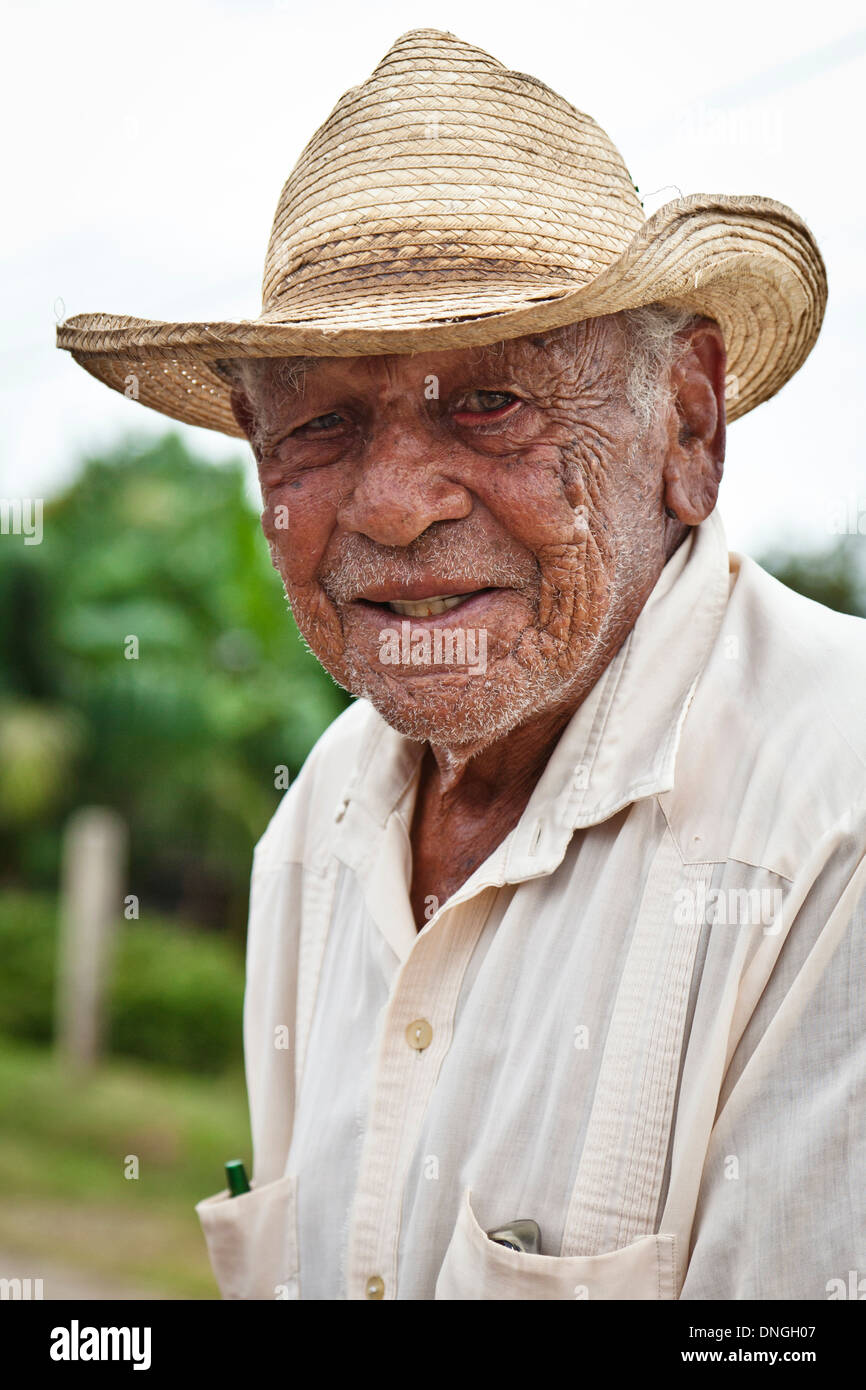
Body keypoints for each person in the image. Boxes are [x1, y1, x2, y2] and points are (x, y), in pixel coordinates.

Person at [58, 29, 865, 1301]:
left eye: (489, 401)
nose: (390, 506)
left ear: (686, 423)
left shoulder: (834, 823)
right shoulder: (324, 813)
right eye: (320, 422)